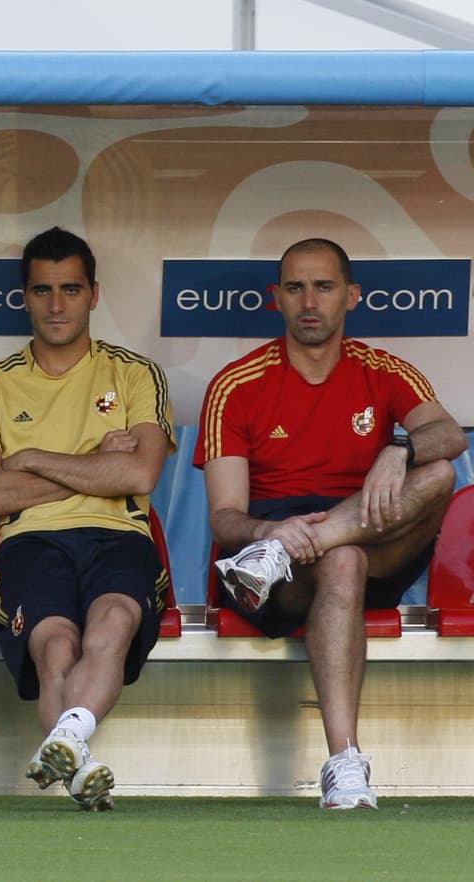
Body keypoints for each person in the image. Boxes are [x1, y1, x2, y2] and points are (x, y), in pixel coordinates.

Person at [196, 237, 466, 810]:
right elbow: (224, 519)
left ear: (352, 295)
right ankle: (345, 762)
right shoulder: (235, 385)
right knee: (343, 560)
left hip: (371, 534)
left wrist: (398, 449)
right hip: (271, 559)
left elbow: (447, 436)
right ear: (276, 298)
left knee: (438, 472)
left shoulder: (383, 369)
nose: (310, 301)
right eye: (296, 288)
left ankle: (303, 547)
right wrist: (269, 536)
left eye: (324, 286)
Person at [0, 226, 174, 811]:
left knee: (112, 623)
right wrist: (95, 461)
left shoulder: (135, 374)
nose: (57, 305)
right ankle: (78, 759)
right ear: (24, 296)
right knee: (55, 647)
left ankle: (70, 744)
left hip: (119, 535)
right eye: (43, 290)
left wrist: (30, 460)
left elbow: (139, 475)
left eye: (71, 289)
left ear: (94, 294)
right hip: (30, 541)